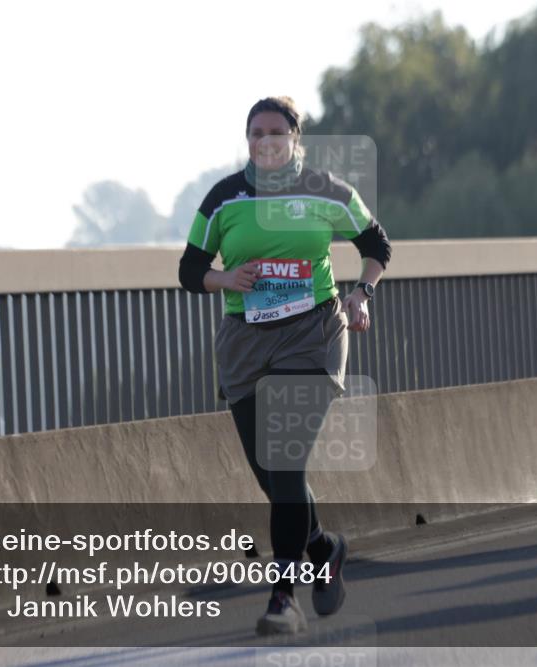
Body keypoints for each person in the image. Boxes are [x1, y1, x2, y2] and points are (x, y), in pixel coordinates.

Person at [178, 96, 392, 635]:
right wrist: (227, 279)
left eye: (277, 132)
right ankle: (324, 549)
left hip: (312, 333)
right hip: (245, 343)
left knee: (285, 458)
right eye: (256, 133)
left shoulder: (327, 192)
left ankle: (283, 598)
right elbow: (189, 269)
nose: (266, 141)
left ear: (296, 138)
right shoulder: (224, 198)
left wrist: (361, 293)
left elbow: (376, 243)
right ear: (247, 140)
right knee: (273, 477)